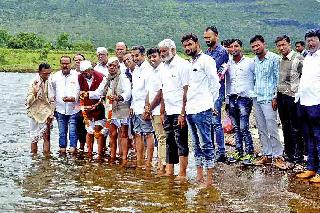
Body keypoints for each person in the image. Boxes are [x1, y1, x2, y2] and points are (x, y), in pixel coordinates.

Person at [181, 33, 220, 187]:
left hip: (203, 108)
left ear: (197, 43)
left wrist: (211, 104)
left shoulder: (206, 60)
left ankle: (209, 180)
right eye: (185, 46)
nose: (187, 48)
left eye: (190, 44)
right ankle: (199, 176)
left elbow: (215, 84)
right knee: (196, 144)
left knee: (207, 144)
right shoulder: (189, 63)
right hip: (191, 109)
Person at [152, 39, 190, 181]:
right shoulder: (162, 67)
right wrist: (162, 112)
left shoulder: (183, 65)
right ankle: (169, 171)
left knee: (181, 141)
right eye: (160, 51)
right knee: (169, 141)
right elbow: (163, 91)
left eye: (164, 51)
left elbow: (186, 90)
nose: (162, 54)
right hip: (167, 110)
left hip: (179, 110)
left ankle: (182, 173)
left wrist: (183, 113)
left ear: (173, 50)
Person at [84, 57, 132, 164]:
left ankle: (124, 157)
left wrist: (118, 97)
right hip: (110, 109)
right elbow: (99, 92)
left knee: (123, 134)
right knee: (112, 134)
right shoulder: (106, 79)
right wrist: (87, 94)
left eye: (114, 65)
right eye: (110, 65)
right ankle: (112, 156)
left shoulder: (124, 78)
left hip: (123, 109)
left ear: (118, 67)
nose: (112, 67)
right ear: (107, 67)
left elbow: (128, 93)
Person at [249, 35, 286, 169]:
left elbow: (278, 79)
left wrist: (275, 97)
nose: (255, 48)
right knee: (261, 128)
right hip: (257, 98)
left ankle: (278, 156)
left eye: (257, 45)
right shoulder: (255, 60)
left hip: (269, 99)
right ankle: (267, 155)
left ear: (263, 44)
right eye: (253, 46)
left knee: (272, 128)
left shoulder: (274, 59)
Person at [274, 35, 304, 169]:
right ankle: (289, 153)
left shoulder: (298, 59)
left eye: (283, 45)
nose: (281, 48)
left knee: (296, 127)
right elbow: (279, 80)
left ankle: (298, 156)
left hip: (294, 97)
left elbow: (305, 77)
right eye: (279, 45)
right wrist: (275, 96)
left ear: (289, 44)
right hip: (281, 96)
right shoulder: (280, 60)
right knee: (285, 125)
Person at [225, 39, 255, 165]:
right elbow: (226, 82)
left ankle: (249, 153)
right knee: (236, 127)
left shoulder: (250, 62)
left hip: (245, 99)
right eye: (231, 47)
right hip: (232, 98)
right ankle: (238, 151)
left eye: (236, 46)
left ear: (241, 48)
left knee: (244, 127)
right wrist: (226, 100)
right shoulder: (227, 64)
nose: (233, 49)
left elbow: (256, 78)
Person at [296, 29, 320, 183]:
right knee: (308, 137)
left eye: (313, 40)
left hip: (317, 103)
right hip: (304, 102)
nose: (310, 43)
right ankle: (311, 168)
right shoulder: (308, 57)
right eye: (308, 40)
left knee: (319, 137)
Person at [204, 26, 229, 162]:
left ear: (216, 36)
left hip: (217, 92)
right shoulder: (207, 52)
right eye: (205, 38)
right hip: (207, 92)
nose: (207, 40)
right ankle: (211, 149)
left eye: (209, 37)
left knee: (216, 122)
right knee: (209, 121)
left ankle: (221, 151)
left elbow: (212, 68)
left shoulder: (222, 51)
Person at [131, 46, 155, 169]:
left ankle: (149, 161)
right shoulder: (136, 70)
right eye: (133, 56)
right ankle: (139, 159)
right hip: (136, 107)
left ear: (143, 55)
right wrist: (131, 106)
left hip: (144, 108)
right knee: (137, 134)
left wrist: (147, 108)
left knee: (148, 134)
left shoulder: (148, 70)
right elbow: (134, 90)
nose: (135, 58)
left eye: (137, 56)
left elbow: (150, 91)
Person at [51, 56, 80, 155]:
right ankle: (62, 149)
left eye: (67, 63)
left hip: (74, 108)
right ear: (60, 64)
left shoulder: (77, 75)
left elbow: (80, 90)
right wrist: (53, 108)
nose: (65, 65)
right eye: (63, 63)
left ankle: (73, 149)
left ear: (71, 64)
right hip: (60, 108)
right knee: (62, 132)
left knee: (72, 131)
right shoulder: (55, 77)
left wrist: (74, 98)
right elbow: (52, 92)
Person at [78, 60, 106, 160]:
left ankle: (99, 154)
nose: (85, 74)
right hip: (86, 108)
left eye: (86, 72)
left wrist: (95, 101)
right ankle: (89, 153)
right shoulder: (80, 77)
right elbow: (78, 92)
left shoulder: (101, 77)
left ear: (91, 70)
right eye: (83, 73)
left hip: (100, 108)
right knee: (89, 131)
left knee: (98, 130)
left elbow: (102, 94)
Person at [146, 47, 167, 175]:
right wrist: (147, 107)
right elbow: (150, 91)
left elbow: (160, 93)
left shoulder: (162, 70)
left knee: (162, 137)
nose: (152, 59)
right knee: (159, 137)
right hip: (153, 110)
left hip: (159, 110)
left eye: (154, 56)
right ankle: (161, 162)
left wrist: (151, 107)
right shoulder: (152, 71)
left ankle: (162, 165)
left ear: (160, 56)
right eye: (150, 57)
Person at [26, 63, 55, 155]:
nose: (47, 75)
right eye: (44, 73)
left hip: (46, 112)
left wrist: (51, 114)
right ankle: (34, 157)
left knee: (47, 136)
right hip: (34, 112)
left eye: (48, 73)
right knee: (34, 138)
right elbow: (28, 102)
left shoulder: (49, 81)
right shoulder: (33, 82)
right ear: (39, 72)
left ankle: (46, 158)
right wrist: (34, 93)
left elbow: (52, 99)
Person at [73, 53, 87, 151]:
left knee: (84, 129)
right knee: (75, 128)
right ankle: (74, 147)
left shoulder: (87, 73)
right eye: (76, 60)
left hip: (86, 106)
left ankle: (83, 147)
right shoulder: (72, 74)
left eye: (80, 60)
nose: (78, 61)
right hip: (74, 106)